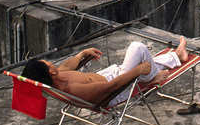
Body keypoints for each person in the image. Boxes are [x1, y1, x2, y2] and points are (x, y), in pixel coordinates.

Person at [21, 37, 189, 107]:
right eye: (47, 63)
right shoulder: (73, 90)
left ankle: (176, 56)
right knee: (137, 48)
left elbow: (66, 66)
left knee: (142, 59)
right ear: (50, 72)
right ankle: (151, 78)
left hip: (110, 75)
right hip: (117, 90)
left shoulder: (55, 77)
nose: (51, 63)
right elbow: (110, 87)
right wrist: (138, 71)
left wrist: (82, 54)